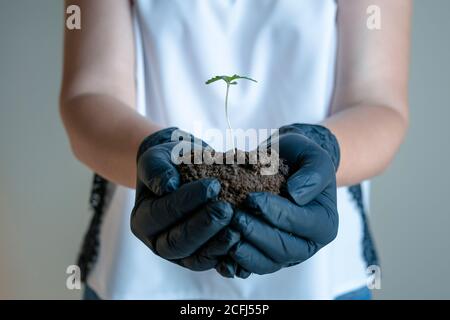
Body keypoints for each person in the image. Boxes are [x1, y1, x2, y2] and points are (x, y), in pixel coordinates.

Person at [60, 0, 411, 300]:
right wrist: (150, 153)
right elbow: (91, 92)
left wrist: (325, 150)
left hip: (321, 275)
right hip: (141, 272)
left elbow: (378, 102)